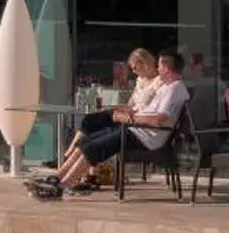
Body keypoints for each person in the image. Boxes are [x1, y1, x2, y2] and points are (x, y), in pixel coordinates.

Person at [53, 52, 187, 192]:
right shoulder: (167, 87)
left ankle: (63, 185)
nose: (158, 69)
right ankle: (57, 178)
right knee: (86, 142)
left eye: (159, 66)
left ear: (166, 67)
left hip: (145, 137)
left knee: (94, 147)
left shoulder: (175, 89)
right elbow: (147, 112)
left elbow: (157, 120)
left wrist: (127, 118)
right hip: (136, 130)